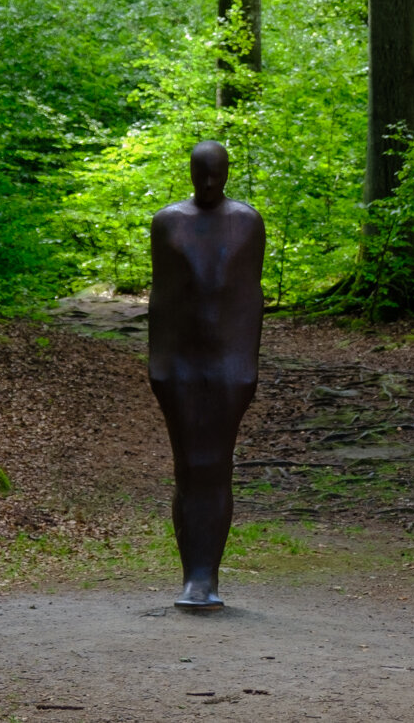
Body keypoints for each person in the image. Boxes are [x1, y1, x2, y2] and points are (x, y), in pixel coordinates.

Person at [148, 140, 265, 610]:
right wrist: (158, 366)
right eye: (202, 173)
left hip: (228, 364)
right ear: (191, 173)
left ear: (229, 172)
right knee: (188, 467)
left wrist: (246, 367)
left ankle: (206, 578)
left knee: (214, 466)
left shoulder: (247, 222)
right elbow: (162, 299)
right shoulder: (168, 222)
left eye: (217, 173)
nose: (210, 182)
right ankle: (192, 576)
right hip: (178, 363)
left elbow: (248, 299)